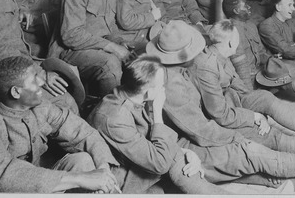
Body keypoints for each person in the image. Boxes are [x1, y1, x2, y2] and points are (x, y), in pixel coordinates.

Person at [145, 20, 295, 195]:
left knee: (267, 150)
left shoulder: (181, 69)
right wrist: (242, 130)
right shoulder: (173, 84)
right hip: (192, 144)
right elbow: (202, 128)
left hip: (207, 129)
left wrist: (250, 118)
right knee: (260, 153)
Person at [194, 20, 295, 157]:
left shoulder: (220, 54)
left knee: (266, 98)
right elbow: (221, 115)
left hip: (235, 100)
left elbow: (240, 88)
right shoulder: (207, 66)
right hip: (225, 114)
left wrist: (261, 112)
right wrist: (254, 117)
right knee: (271, 135)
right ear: (231, 43)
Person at [0, 56, 119, 193]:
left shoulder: (41, 107)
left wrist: (102, 169)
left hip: (41, 183)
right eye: (33, 79)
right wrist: (80, 179)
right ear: (16, 92)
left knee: (83, 160)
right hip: (12, 191)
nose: (41, 81)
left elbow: (82, 132)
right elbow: (3, 176)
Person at [89, 55, 231, 194]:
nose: (163, 88)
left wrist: (186, 152)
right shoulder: (115, 118)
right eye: (161, 85)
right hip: (121, 176)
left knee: (182, 161)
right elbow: (159, 164)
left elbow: (146, 141)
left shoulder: (132, 93)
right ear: (148, 92)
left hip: (138, 158)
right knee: (176, 163)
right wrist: (157, 113)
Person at [52, 0, 130, 98]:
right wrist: (112, 47)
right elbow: (71, 36)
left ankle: (127, 104)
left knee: (137, 56)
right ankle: (109, 112)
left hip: (98, 45)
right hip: (71, 51)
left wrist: (119, 42)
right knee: (110, 63)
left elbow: (109, 25)